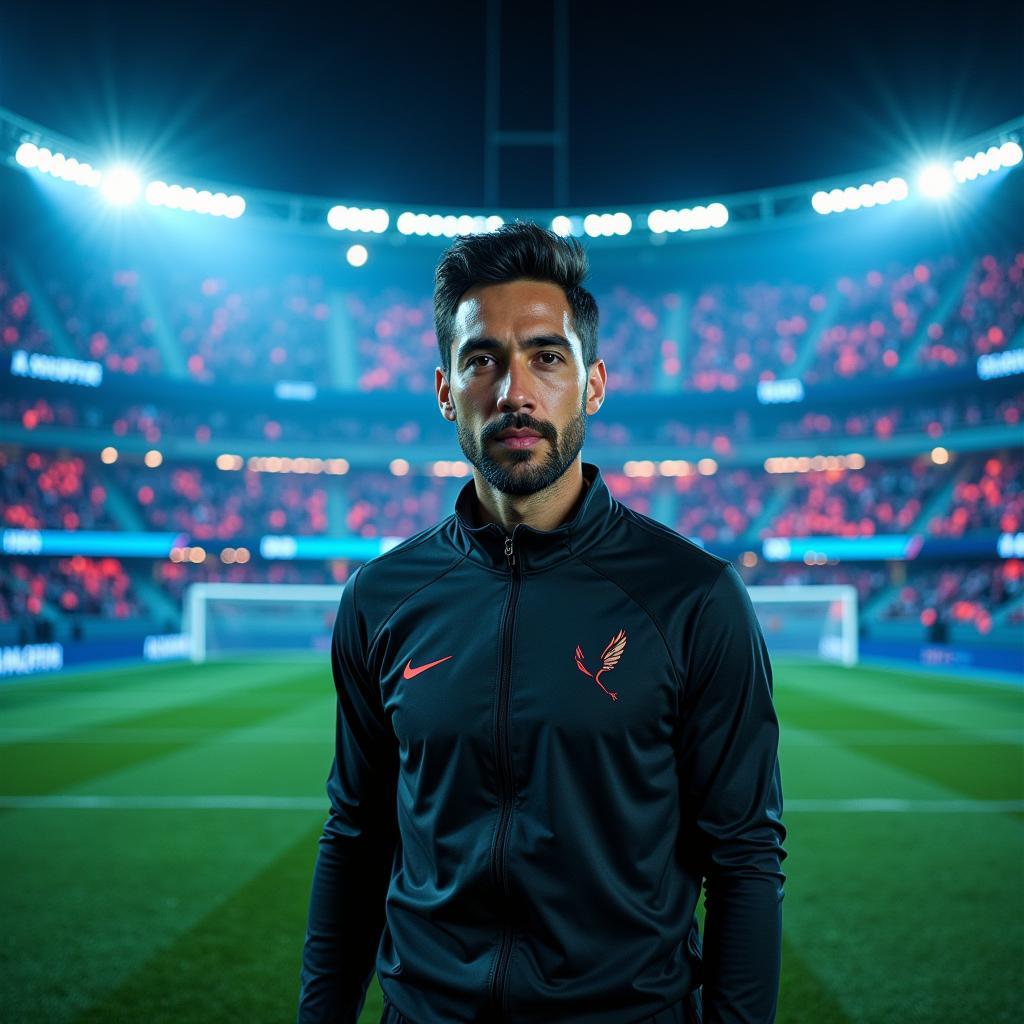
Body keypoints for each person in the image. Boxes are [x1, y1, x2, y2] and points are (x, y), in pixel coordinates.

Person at [298, 222, 786, 1024]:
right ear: (446, 389)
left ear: (592, 385)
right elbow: (355, 837)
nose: (514, 391)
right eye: (481, 358)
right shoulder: (381, 599)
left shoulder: (694, 598)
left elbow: (744, 860)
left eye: (546, 357)